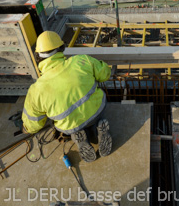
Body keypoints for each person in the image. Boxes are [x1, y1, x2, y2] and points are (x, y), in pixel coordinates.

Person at [22, 31, 113, 163]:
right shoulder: (81, 60)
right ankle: (98, 129)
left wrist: (26, 128)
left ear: (38, 57)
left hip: (70, 125)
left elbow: (33, 120)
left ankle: (79, 138)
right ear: (61, 48)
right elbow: (105, 73)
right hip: (97, 110)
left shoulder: (36, 90)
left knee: (73, 128)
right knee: (94, 116)